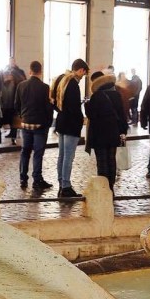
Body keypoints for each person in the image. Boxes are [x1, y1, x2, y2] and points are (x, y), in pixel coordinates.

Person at [51, 58, 90, 197]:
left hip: (61, 121)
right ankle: (66, 187)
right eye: (84, 73)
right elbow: (74, 107)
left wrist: (61, 111)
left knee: (62, 155)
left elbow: (53, 101)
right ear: (81, 70)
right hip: (71, 124)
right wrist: (81, 119)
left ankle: (61, 184)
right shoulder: (73, 83)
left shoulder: (61, 79)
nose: (83, 76)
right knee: (68, 156)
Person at [84, 71, 128, 191]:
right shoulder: (116, 95)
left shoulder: (96, 96)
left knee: (102, 162)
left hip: (99, 135)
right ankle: (111, 187)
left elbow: (91, 115)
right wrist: (123, 131)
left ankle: (104, 188)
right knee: (111, 160)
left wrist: (86, 104)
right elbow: (122, 114)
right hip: (113, 134)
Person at [14, 60, 53, 191]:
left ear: (30, 71)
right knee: (38, 153)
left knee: (25, 152)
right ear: (40, 71)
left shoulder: (21, 85)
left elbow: (16, 104)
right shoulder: (45, 87)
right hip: (40, 125)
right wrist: (48, 122)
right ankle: (37, 180)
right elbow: (48, 108)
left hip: (26, 124)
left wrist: (22, 116)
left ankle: (23, 179)